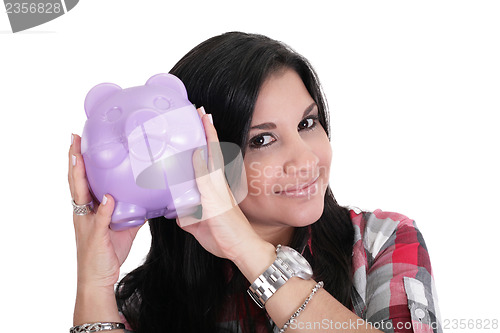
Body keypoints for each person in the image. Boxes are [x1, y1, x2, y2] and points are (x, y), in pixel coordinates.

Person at [68, 32, 441, 333]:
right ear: (201, 159)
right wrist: (94, 284)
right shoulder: (149, 302)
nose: (307, 160)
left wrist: (248, 251)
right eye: (261, 140)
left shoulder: (381, 242)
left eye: (307, 123)